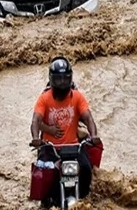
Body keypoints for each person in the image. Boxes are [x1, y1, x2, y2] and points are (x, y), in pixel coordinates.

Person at [30, 56, 101, 201]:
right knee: (45, 176)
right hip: (50, 149)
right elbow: (36, 120)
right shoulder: (44, 98)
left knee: (87, 170)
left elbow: (88, 118)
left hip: (74, 148)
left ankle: (83, 199)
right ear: (51, 79)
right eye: (58, 79)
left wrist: (93, 135)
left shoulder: (78, 97)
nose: (62, 83)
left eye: (65, 79)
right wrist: (36, 139)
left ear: (70, 79)